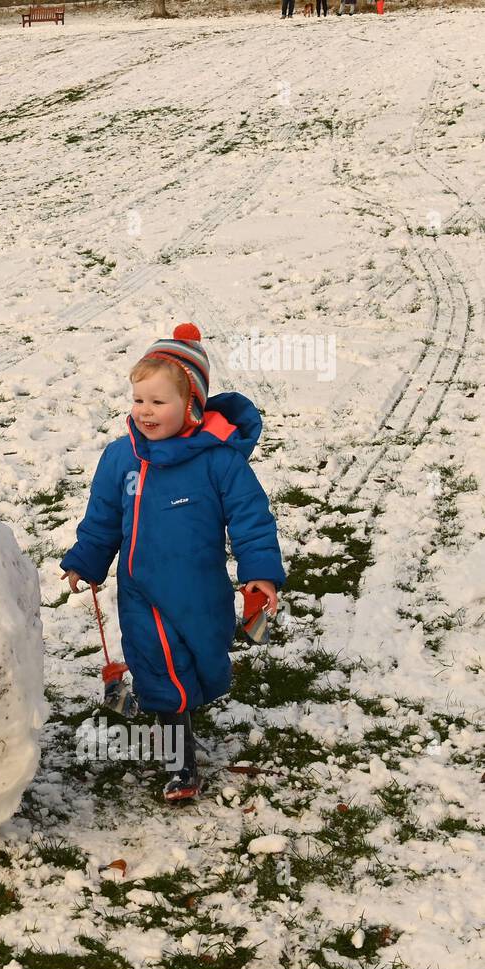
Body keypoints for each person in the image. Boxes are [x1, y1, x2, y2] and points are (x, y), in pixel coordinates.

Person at [59, 324, 285, 802]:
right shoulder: (122, 458)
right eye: (138, 399)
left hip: (201, 593)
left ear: (191, 406)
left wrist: (260, 574)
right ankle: (180, 764)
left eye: (158, 402)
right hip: (142, 592)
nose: (144, 411)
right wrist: (86, 559)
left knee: (200, 667)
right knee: (161, 674)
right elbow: (102, 517)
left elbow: (251, 520)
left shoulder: (219, 463)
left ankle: (180, 722)